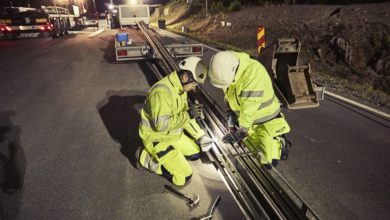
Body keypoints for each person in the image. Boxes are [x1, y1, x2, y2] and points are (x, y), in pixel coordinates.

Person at [136, 56, 213, 186]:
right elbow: (161, 125)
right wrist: (188, 114)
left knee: (195, 153)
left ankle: (172, 156)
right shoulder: (161, 92)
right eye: (194, 84)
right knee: (183, 177)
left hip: (172, 135)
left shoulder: (180, 90)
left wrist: (201, 136)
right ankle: (144, 157)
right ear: (184, 77)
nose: (194, 87)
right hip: (157, 138)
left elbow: (186, 118)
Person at [208, 50, 290, 168]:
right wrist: (230, 112)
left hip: (266, 122)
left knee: (268, 162)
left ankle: (279, 142)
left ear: (234, 70)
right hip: (247, 122)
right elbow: (229, 94)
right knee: (251, 152)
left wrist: (241, 131)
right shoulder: (226, 71)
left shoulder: (254, 72)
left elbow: (249, 108)